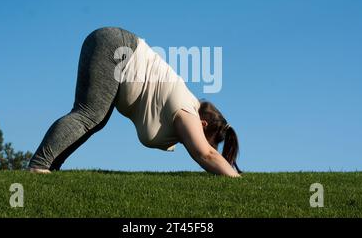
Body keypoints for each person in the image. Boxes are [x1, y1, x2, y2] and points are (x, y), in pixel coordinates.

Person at [28, 27, 241, 177]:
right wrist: (235, 180)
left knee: (93, 118)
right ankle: (39, 165)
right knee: (90, 115)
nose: (197, 142)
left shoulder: (181, 107)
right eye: (206, 138)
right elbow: (206, 153)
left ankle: (49, 168)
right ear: (202, 125)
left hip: (110, 42)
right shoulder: (187, 111)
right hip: (117, 47)